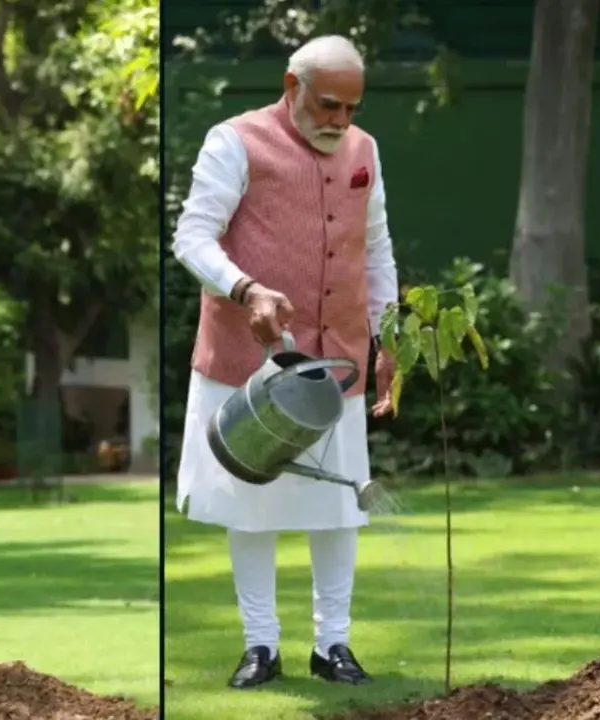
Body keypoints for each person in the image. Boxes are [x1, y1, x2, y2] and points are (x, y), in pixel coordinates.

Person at [170, 34, 400, 689]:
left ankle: (334, 647)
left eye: (352, 109)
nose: (342, 121)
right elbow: (191, 235)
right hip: (249, 364)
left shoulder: (366, 151)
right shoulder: (234, 140)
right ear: (292, 86)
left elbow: (376, 250)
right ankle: (260, 646)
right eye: (329, 105)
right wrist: (246, 289)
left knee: (341, 510)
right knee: (252, 506)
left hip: (339, 363)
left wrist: (389, 340)